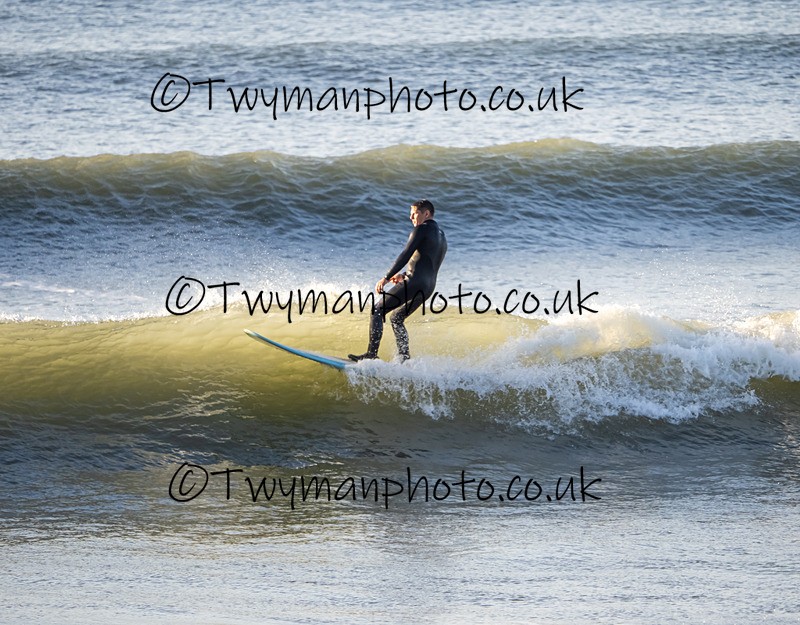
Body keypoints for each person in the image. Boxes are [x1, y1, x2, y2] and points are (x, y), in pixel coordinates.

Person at [349, 198, 447, 362]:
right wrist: (404, 274)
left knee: (377, 310)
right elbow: (427, 261)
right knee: (396, 318)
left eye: (414, 213)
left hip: (415, 282)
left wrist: (386, 277)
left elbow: (405, 254)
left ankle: (371, 354)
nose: (411, 217)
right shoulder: (441, 236)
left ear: (426, 213)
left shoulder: (421, 229)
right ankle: (404, 358)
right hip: (428, 287)